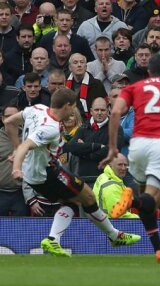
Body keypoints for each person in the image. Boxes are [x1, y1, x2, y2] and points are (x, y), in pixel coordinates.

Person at [3, 88, 140, 257]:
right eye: (74, 106)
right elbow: (26, 145)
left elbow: (9, 122)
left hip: (37, 173)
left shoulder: (36, 109)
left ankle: (53, 239)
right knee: (88, 196)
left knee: (73, 202)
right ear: (67, 105)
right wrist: (16, 167)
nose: (75, 110)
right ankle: (114, 236)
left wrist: (16, 149)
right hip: (45, 173)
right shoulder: (50, 128)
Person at [100, 54, 160, 264]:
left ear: (148, 70)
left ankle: (159, 248)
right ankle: (130, 200)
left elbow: (114, 113)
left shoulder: (136, 87)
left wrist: (113, 148)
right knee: (152, 200)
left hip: (138, 146)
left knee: (147, 204)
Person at [92, 152, 137, 218]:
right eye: (120, 165)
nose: (123, 168)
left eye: (125, 165)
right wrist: (140, 219)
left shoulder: (103, 176)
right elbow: (119, 215)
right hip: (112, 225)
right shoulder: (111, 186)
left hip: (103, 223)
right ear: (110, 164)